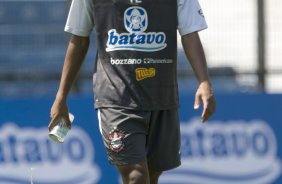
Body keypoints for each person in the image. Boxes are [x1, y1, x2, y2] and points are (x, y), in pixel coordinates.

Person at [48, 0, 216, 183]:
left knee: (152, 175)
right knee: (136, 174)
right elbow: (78, 39)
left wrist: (204, 82)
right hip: (116, 98)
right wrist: (61, 96)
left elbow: (190, 33)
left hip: (162, 96)